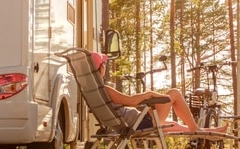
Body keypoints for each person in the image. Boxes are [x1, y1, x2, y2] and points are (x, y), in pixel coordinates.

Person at [91, 52, 226, 133]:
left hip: (135, 123)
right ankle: (196, 129)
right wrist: (150, 94)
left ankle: (206, 132)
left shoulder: (96, 91)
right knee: (174, 93)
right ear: (100, 68)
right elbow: (131, 101)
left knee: (175, 125)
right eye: (103, 65)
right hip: (141, 122)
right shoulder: (105, 89)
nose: (105, 67)